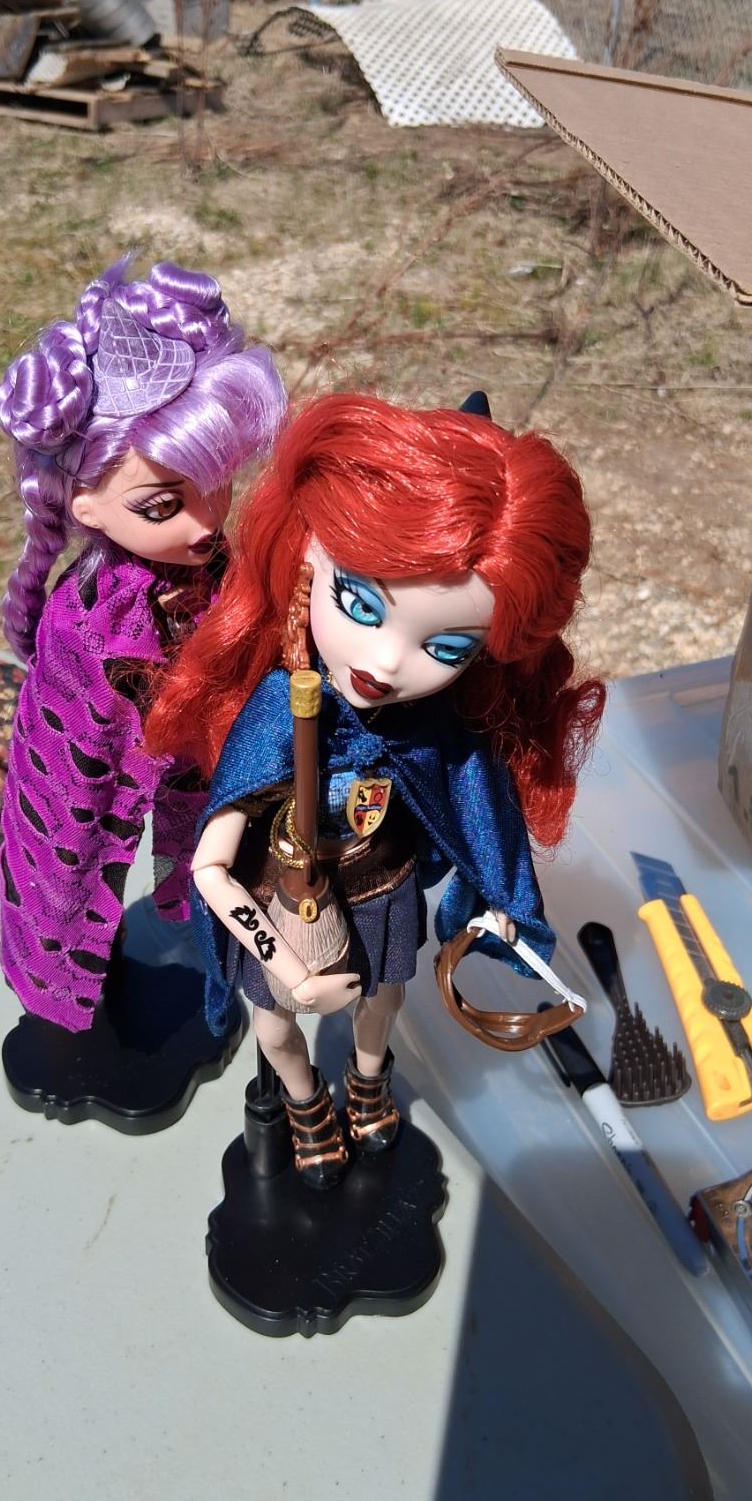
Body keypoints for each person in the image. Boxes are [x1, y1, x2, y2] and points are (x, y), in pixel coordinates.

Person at [144, 392, 603, 1186]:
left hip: (382, 890)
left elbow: (475, 817)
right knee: (275, 1027)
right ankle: (304, 1105)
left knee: (382, 1004)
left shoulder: (437, 734)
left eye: (447, 645)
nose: (386, 663)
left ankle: (367, 1083)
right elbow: (211, 868)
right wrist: (285, 965)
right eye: (358, 604)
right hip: (277, 900)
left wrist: (494, 899)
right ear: (306, 565)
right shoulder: (277, 716)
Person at [0, 254, 285, 1046]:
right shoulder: (85, 619)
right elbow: (75, 760)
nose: (204, 522)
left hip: (204, 763)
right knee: (70, 860)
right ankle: (72, 1000)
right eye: (161, 506)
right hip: (97, 776)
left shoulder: (214, 565)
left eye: (218, 485)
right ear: (83, 504)